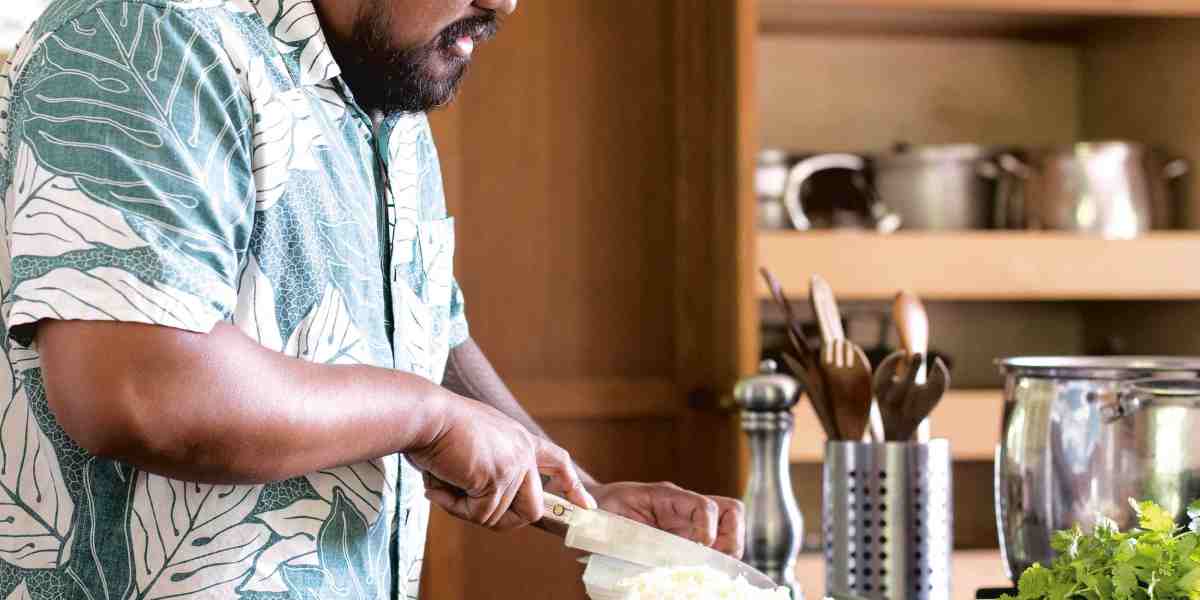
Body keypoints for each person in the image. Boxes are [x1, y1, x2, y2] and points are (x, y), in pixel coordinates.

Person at [0, 1, 745, 598]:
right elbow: (138, 387)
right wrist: (426, 417)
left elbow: (424, 332)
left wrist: (585, 503)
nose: (502, 6)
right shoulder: (148, 32)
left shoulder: (388, 101)